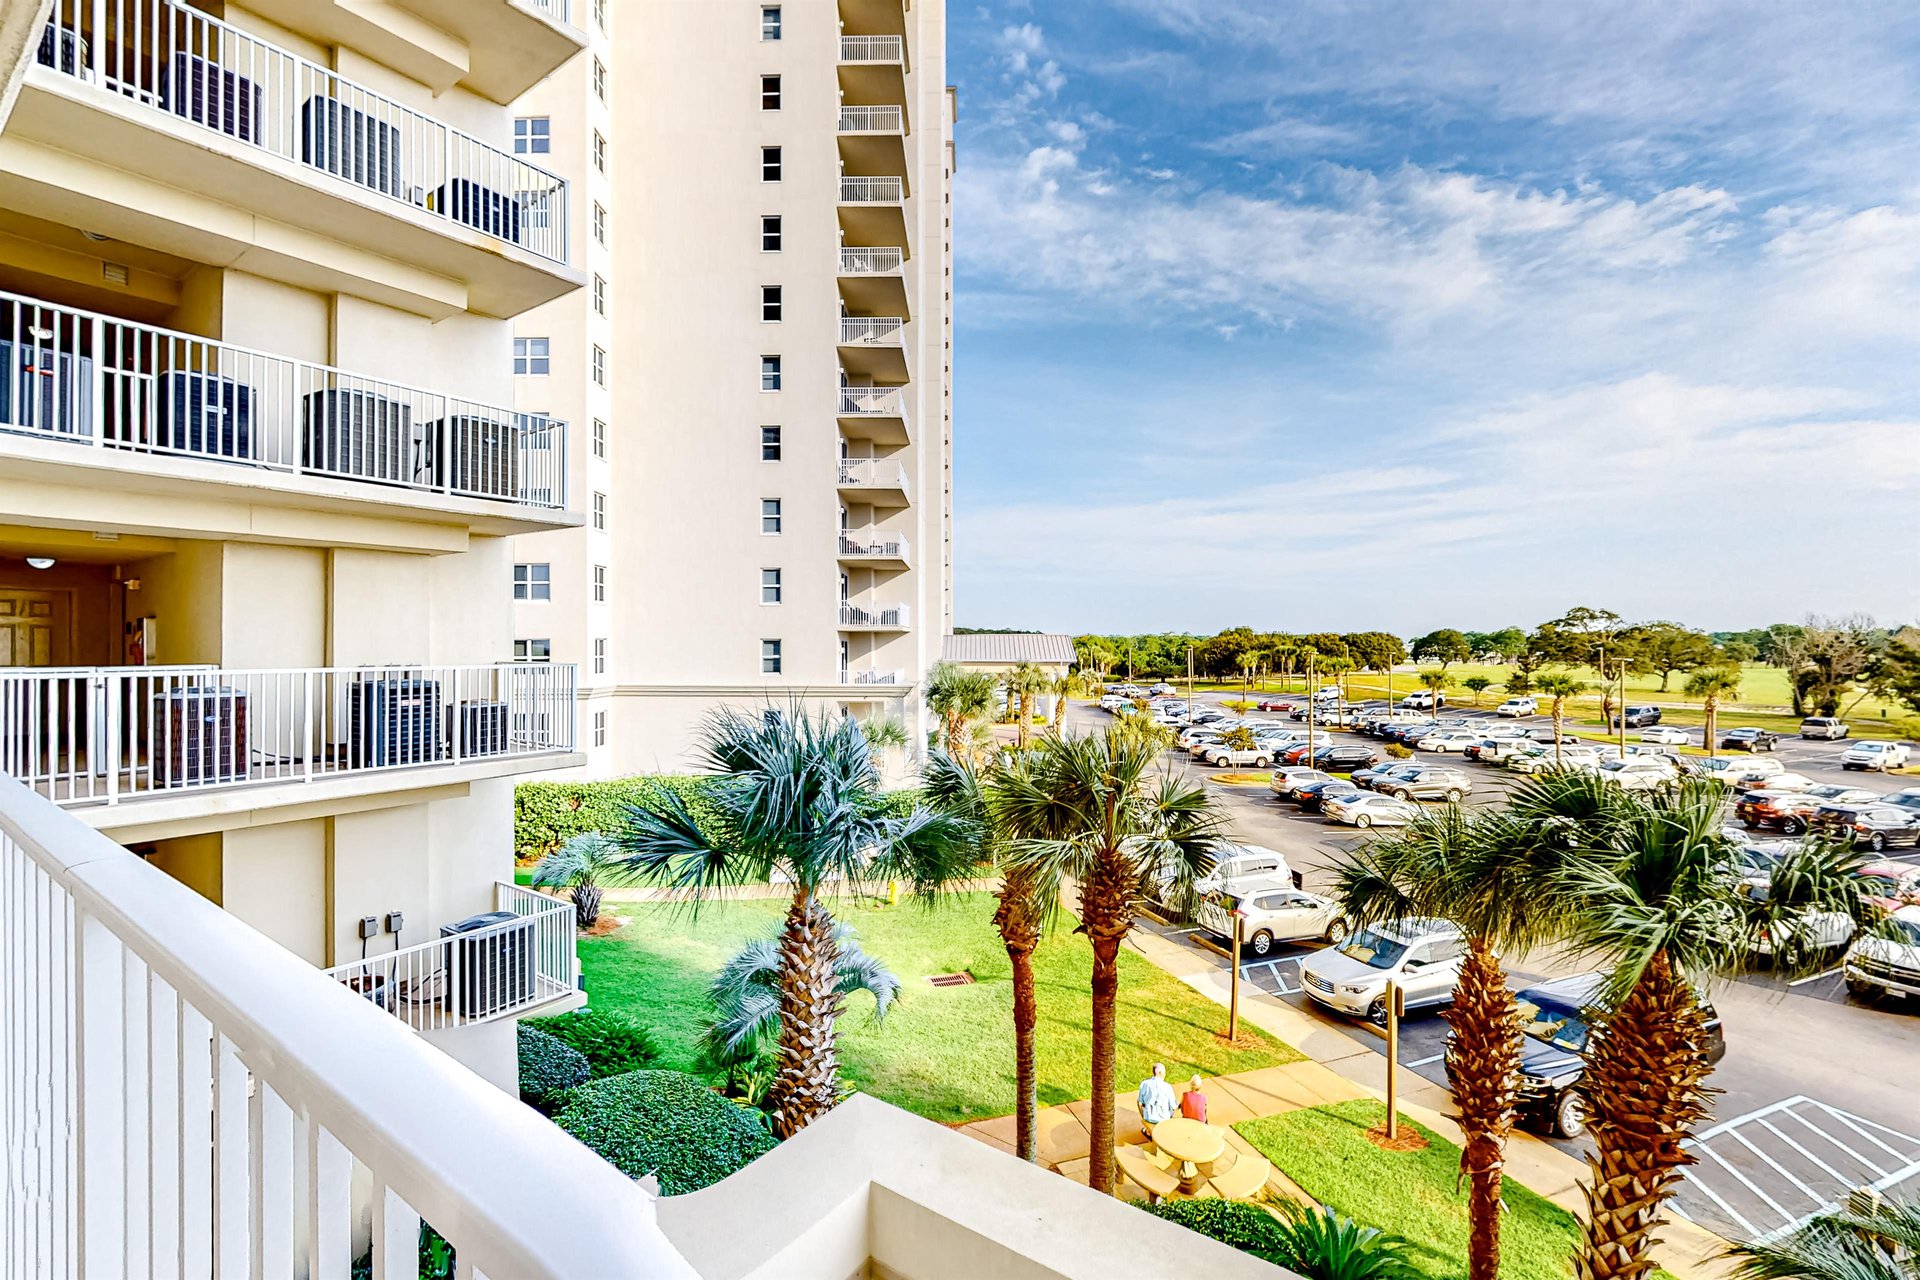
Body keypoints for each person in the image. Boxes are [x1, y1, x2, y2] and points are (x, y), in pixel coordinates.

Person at [1136, 1063, 1177, 1135]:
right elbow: (1174, 1107)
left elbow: (1139, 1103)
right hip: (1164, 1118)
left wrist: (1143, 1116)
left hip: (1148, 1117)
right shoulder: (1168, 1087)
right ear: (1160, 1073)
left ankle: (1148, 1131)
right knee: (1171, 1108)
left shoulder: (1144, 1084)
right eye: (1164, 1072)